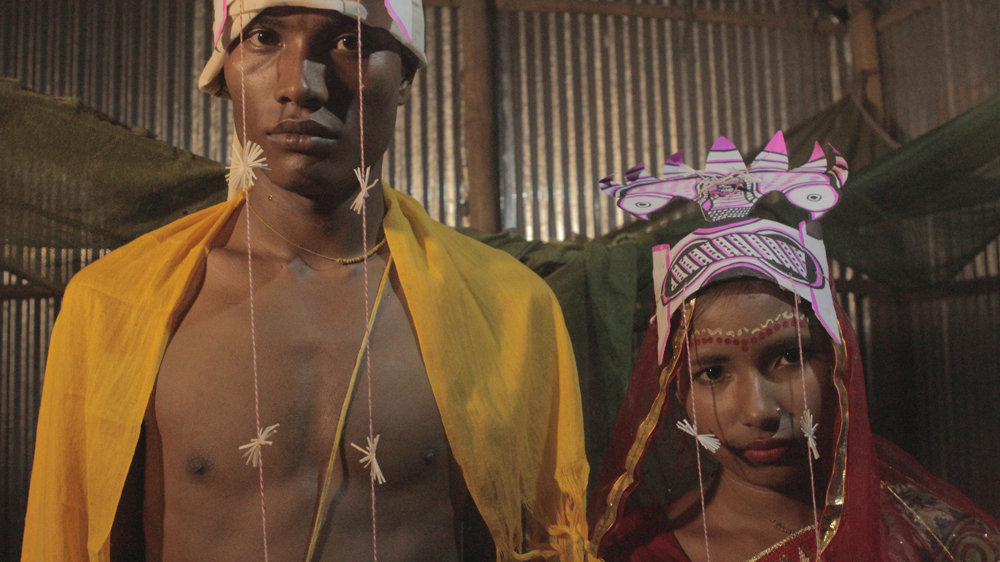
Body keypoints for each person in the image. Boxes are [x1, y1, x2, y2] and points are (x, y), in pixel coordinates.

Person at [21, 2, 594, 561]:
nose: (302, 85)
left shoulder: (507, 309)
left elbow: (539, 537)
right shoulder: (117, 305)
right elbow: (74, 538)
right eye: (264, 38)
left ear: (404, 76)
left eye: (351, 42)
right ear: (226, 74)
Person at [588, 134, 1000, 561]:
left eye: (789, 357)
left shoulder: (932, 537)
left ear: (839, 365)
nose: (760, 411)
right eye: (712, 373)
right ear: (675, 392)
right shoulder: (638, 554)